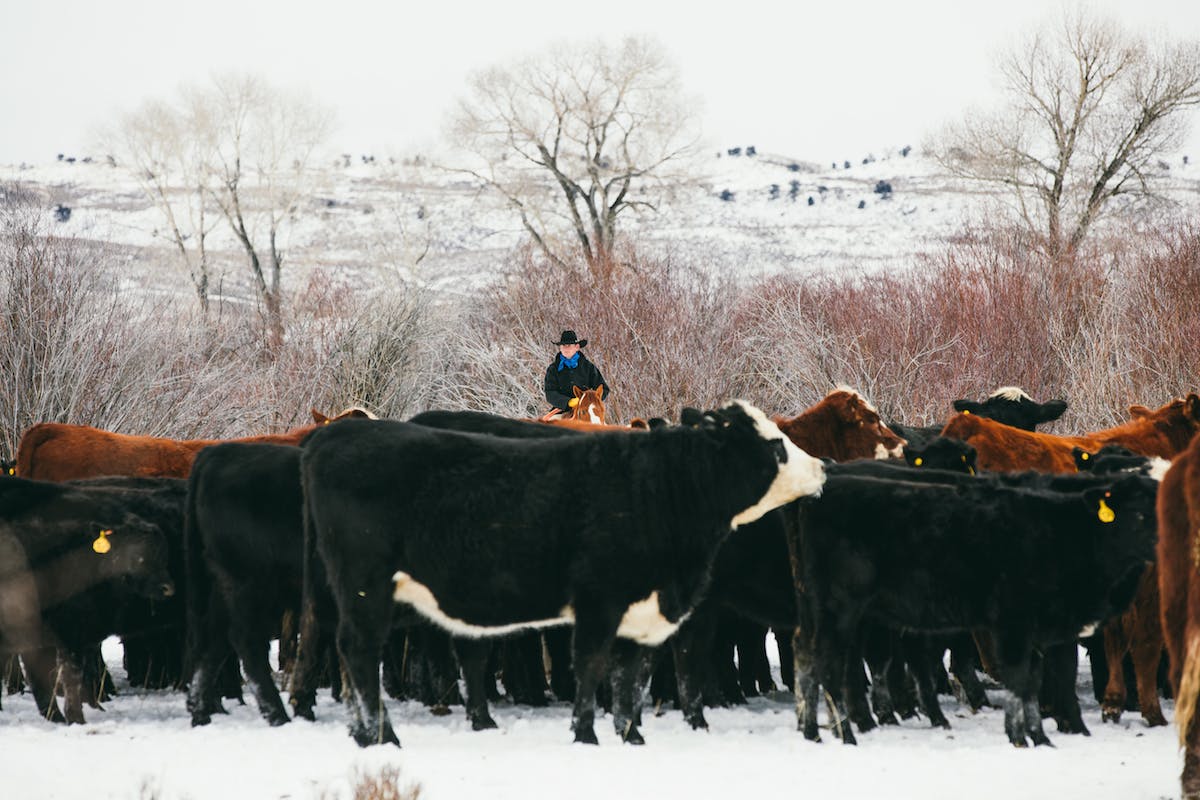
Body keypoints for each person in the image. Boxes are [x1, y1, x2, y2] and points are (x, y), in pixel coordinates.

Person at [543, 330, 610, 416]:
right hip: (562, 410)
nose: (566, 348)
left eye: (569, 345)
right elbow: (550, 393)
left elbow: (603, 388)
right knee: (548, 426)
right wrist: (568, 402)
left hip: (587, 411)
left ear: (577, 347)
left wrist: (590, 400)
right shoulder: (553, 369)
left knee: (602, 428)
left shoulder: (588, 367)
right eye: (563, 345)